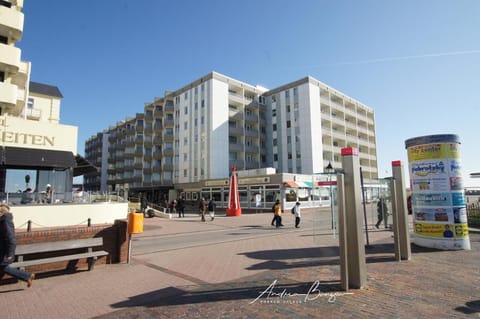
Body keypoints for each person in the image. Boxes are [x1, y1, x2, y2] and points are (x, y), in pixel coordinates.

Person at [0, 204, 35, 288]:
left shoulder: (5, 221)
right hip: (3, 250)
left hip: (5, 251)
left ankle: (28, 276)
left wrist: (10, 253)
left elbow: (10, 238)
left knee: (3, 268)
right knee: (3, 268)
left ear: (1, 212)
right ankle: (28, 276)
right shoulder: (3, 220)